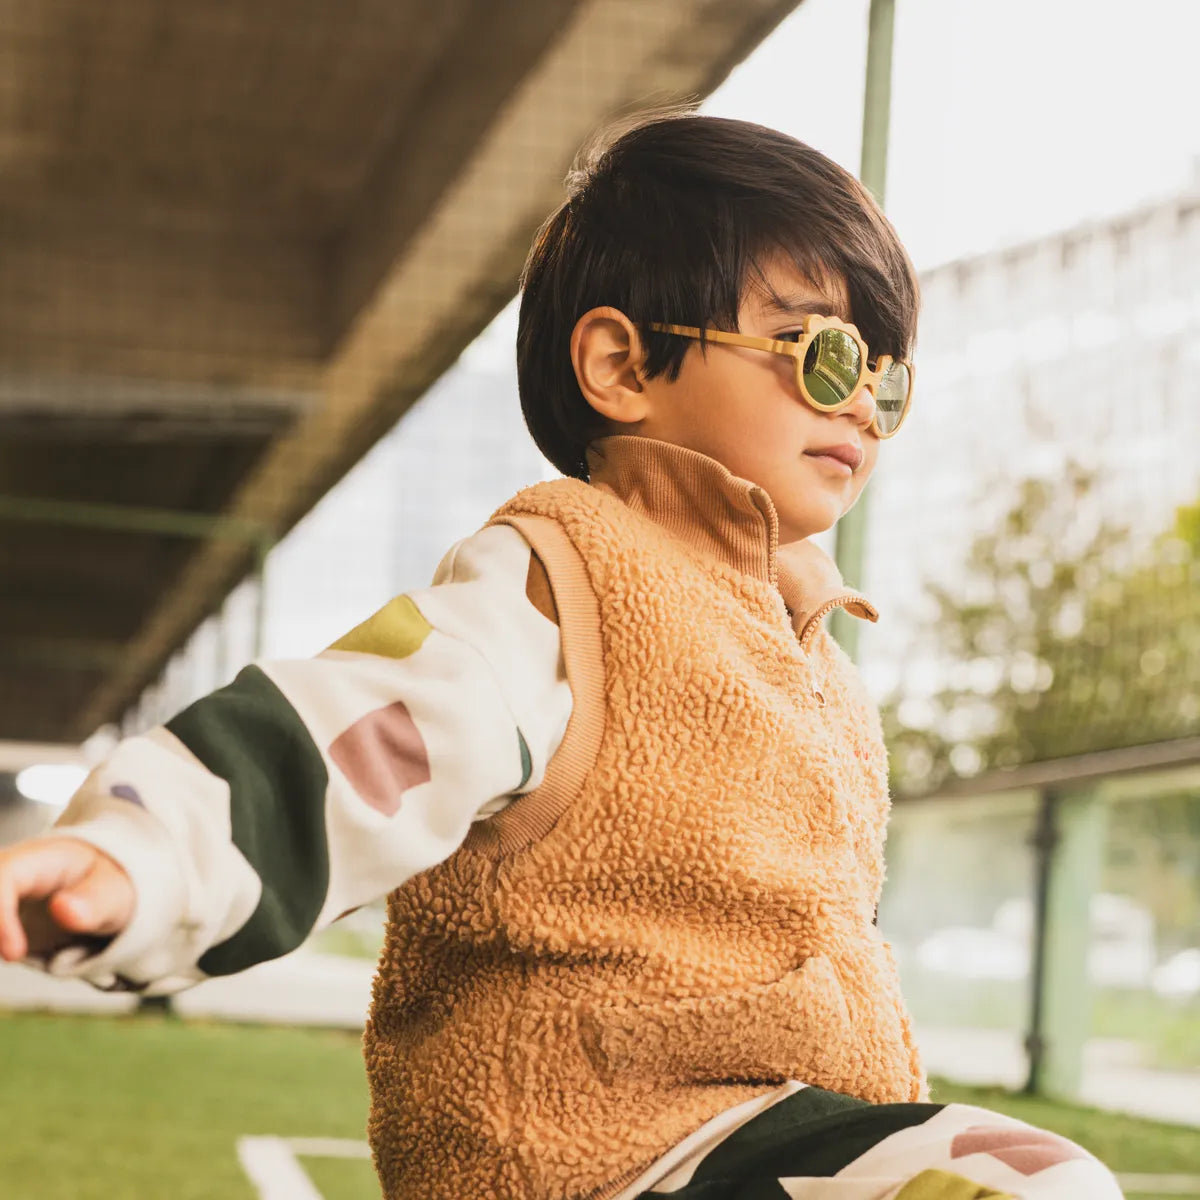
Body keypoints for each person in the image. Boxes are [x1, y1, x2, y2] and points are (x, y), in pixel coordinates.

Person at [0, 112, 1123, 1200]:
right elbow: (362, 736)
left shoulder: (818, 665)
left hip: (763, 1137)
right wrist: (139, 856)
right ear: (621, 367)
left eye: (885, 376)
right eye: (822, 353)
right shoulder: (561, 584)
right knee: (1023, 1179)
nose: (865, 407)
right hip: (588, 1152)